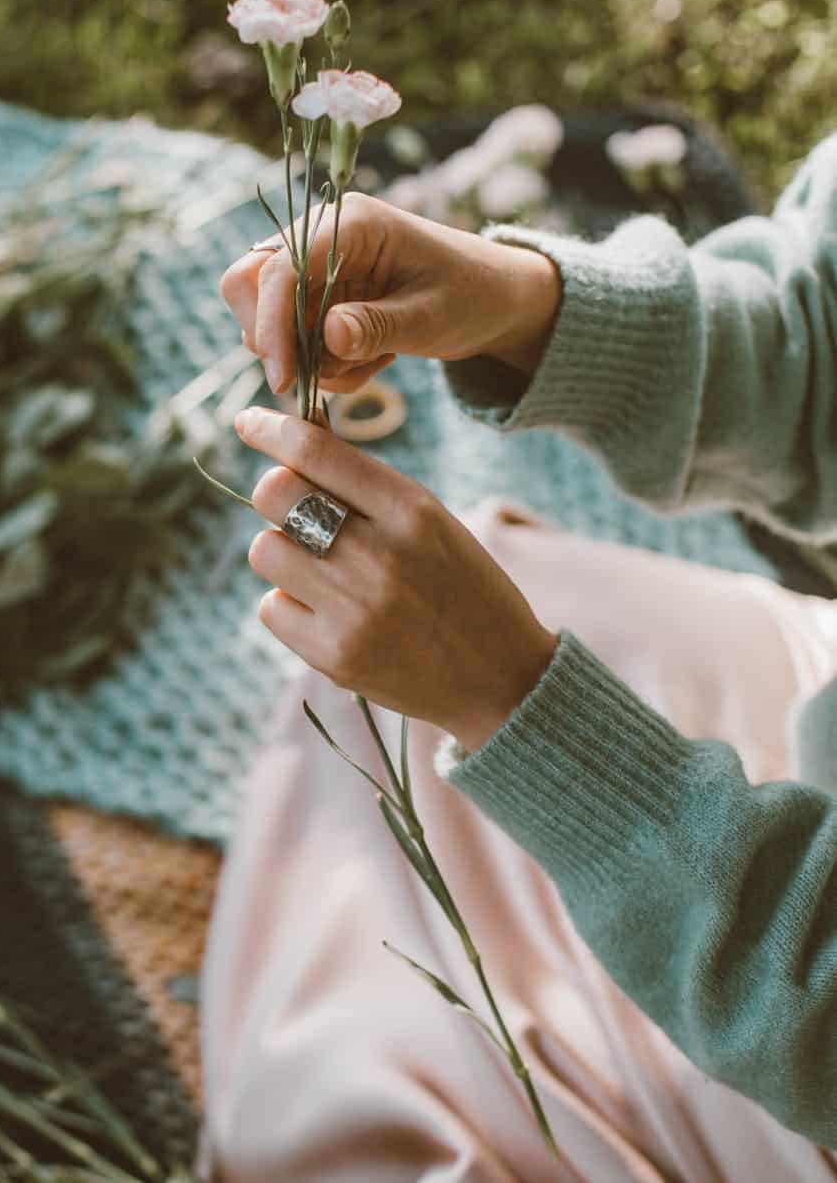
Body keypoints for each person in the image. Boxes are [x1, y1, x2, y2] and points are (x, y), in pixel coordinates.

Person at [199, 134, 837, 1182]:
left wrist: (520, 707)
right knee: (383, 692)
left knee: (356, 1118)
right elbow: (820, 322)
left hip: (795, 1011)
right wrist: (527, 304)